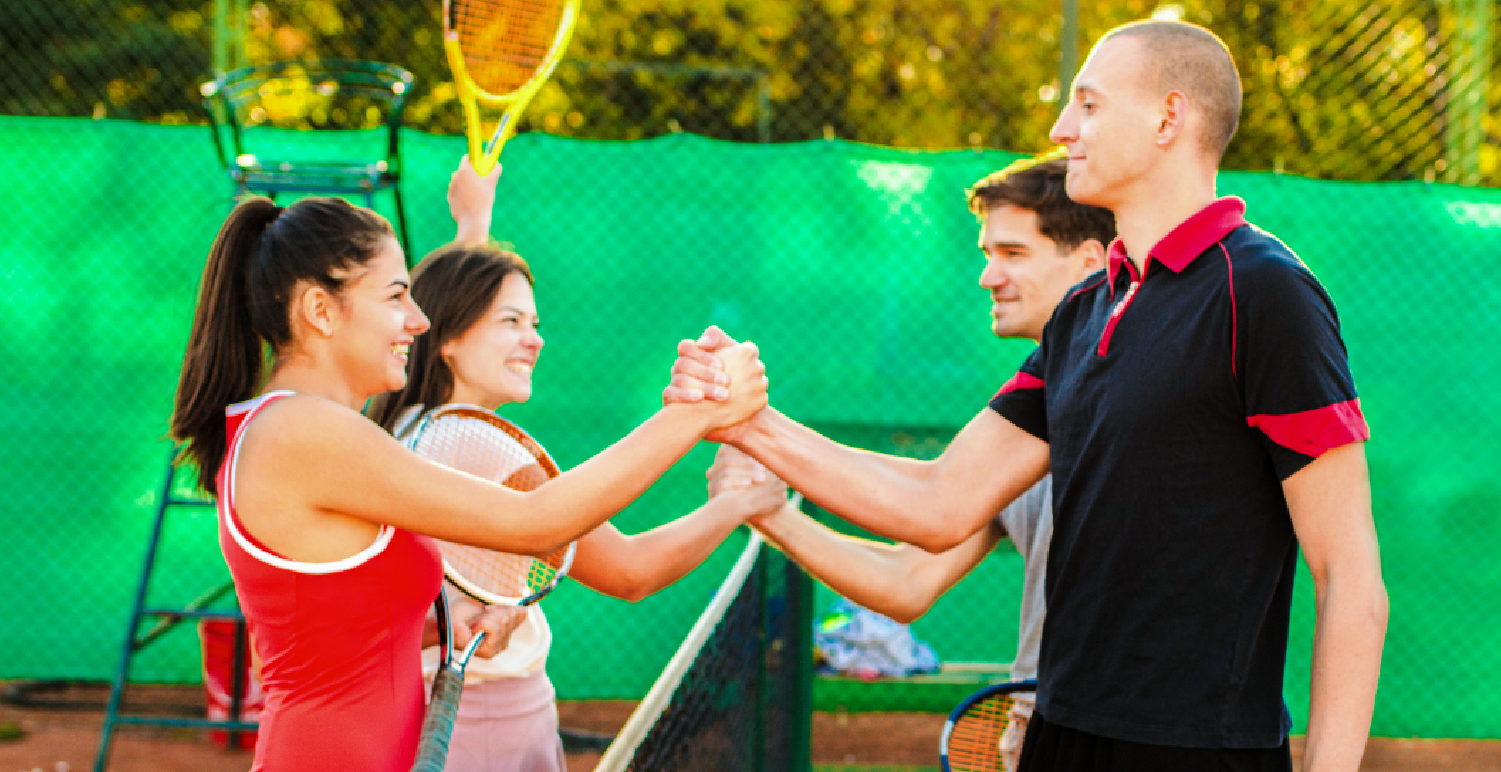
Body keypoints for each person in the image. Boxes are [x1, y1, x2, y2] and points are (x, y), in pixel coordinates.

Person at [668, 19, 1386, 772]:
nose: (1060, 128)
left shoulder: (1264, 291)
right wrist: (747, 420)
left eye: (1087, 104)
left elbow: (1349, 578)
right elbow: (939, 501)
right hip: (1058, 732)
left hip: (1193, 751)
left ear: (1168, 118)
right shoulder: (1084, 312)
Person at [169, 191, 767, 772]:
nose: (418, 320)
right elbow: (539, 523)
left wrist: (451, 621)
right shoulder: (305, 431)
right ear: (319, 310)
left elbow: (336, 638)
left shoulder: (297, 428)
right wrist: (694, 413)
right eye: (397, 295)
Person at [368, 158, 791, 772]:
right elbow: (630, 571)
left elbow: (452, 301)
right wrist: (742, 503)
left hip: (437, 714)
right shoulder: (482, 447)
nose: (534, 338)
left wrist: (474, 227)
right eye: (512, 322)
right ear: (448, 338)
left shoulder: (404, 427)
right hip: (488, 724)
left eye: (535, 323)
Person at [705, 151, 1115, 770]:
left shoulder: (1132, 404)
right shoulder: (1028, 418)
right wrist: (771, 515)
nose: (989, 276)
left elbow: (932, 499)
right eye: (987, 255)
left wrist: (754, 426)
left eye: (1013, 254)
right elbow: (907, 580)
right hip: (1036, 729)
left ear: (1090, 263)